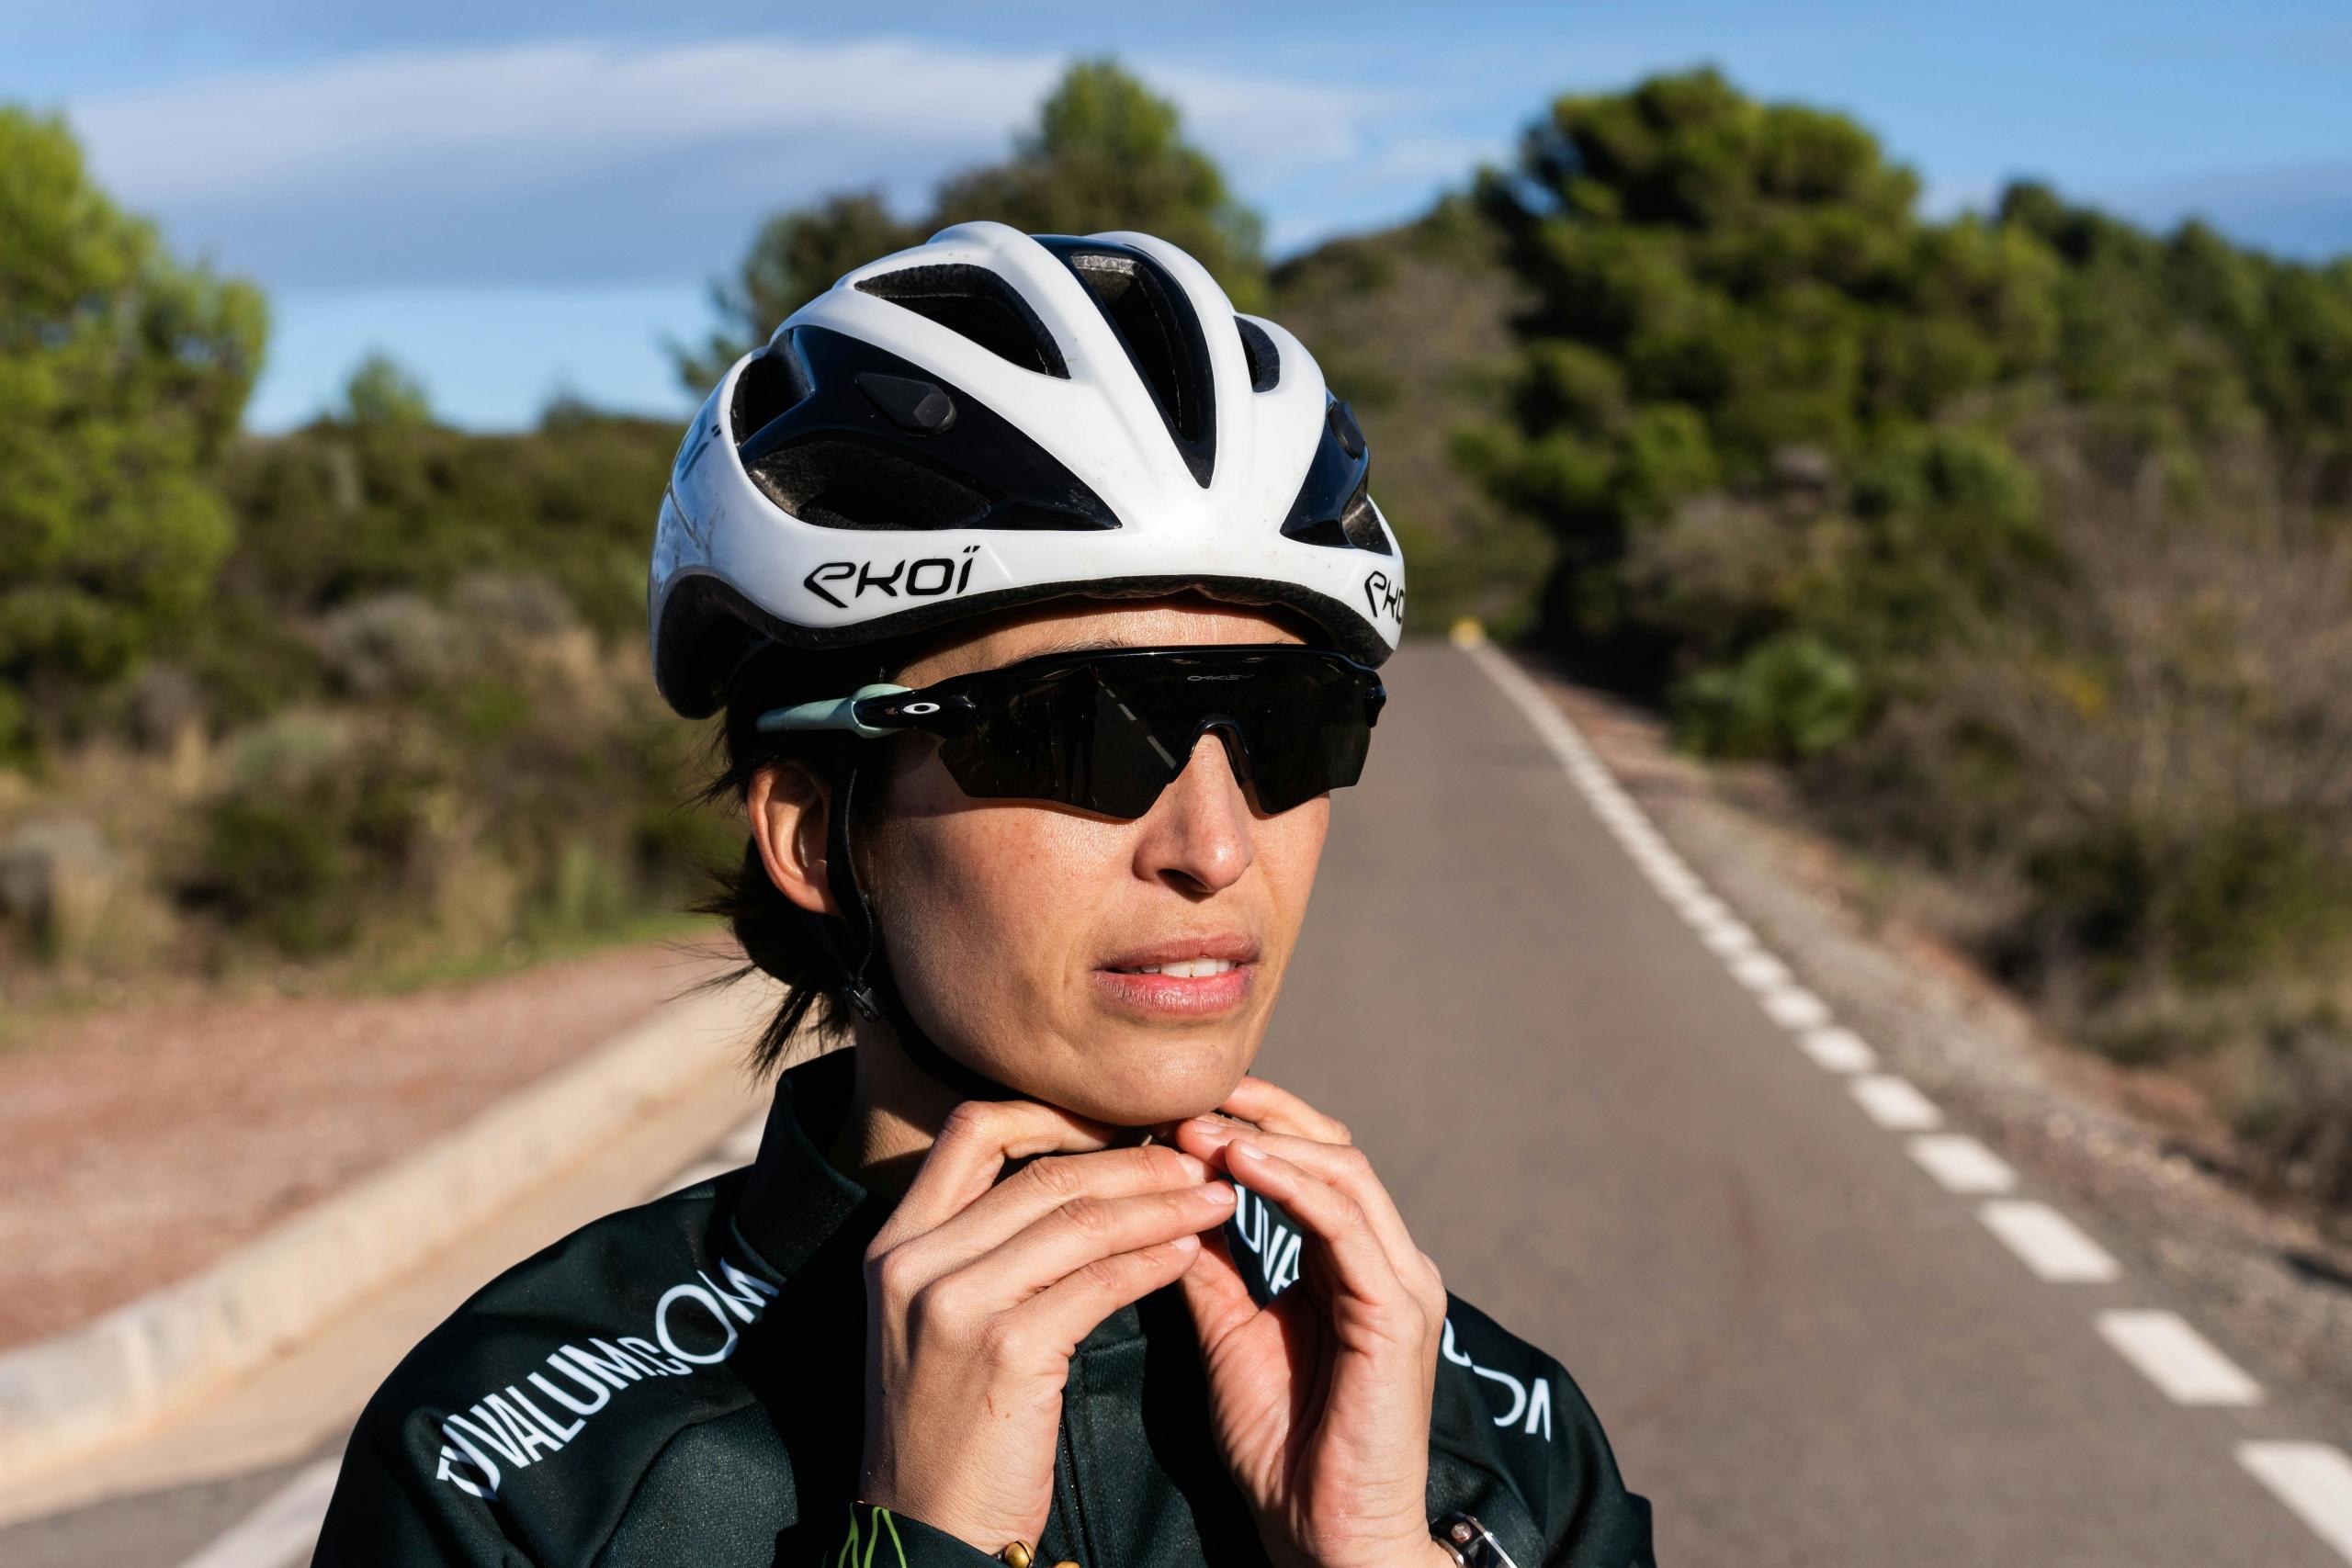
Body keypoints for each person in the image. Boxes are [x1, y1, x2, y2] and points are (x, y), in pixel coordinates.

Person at [311, 221, 1653, 1567]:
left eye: (1292, 729)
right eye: (1079, 732)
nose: (1214, 845)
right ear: (816, 836)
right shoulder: (508, 1482)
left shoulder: (1486, 1438)